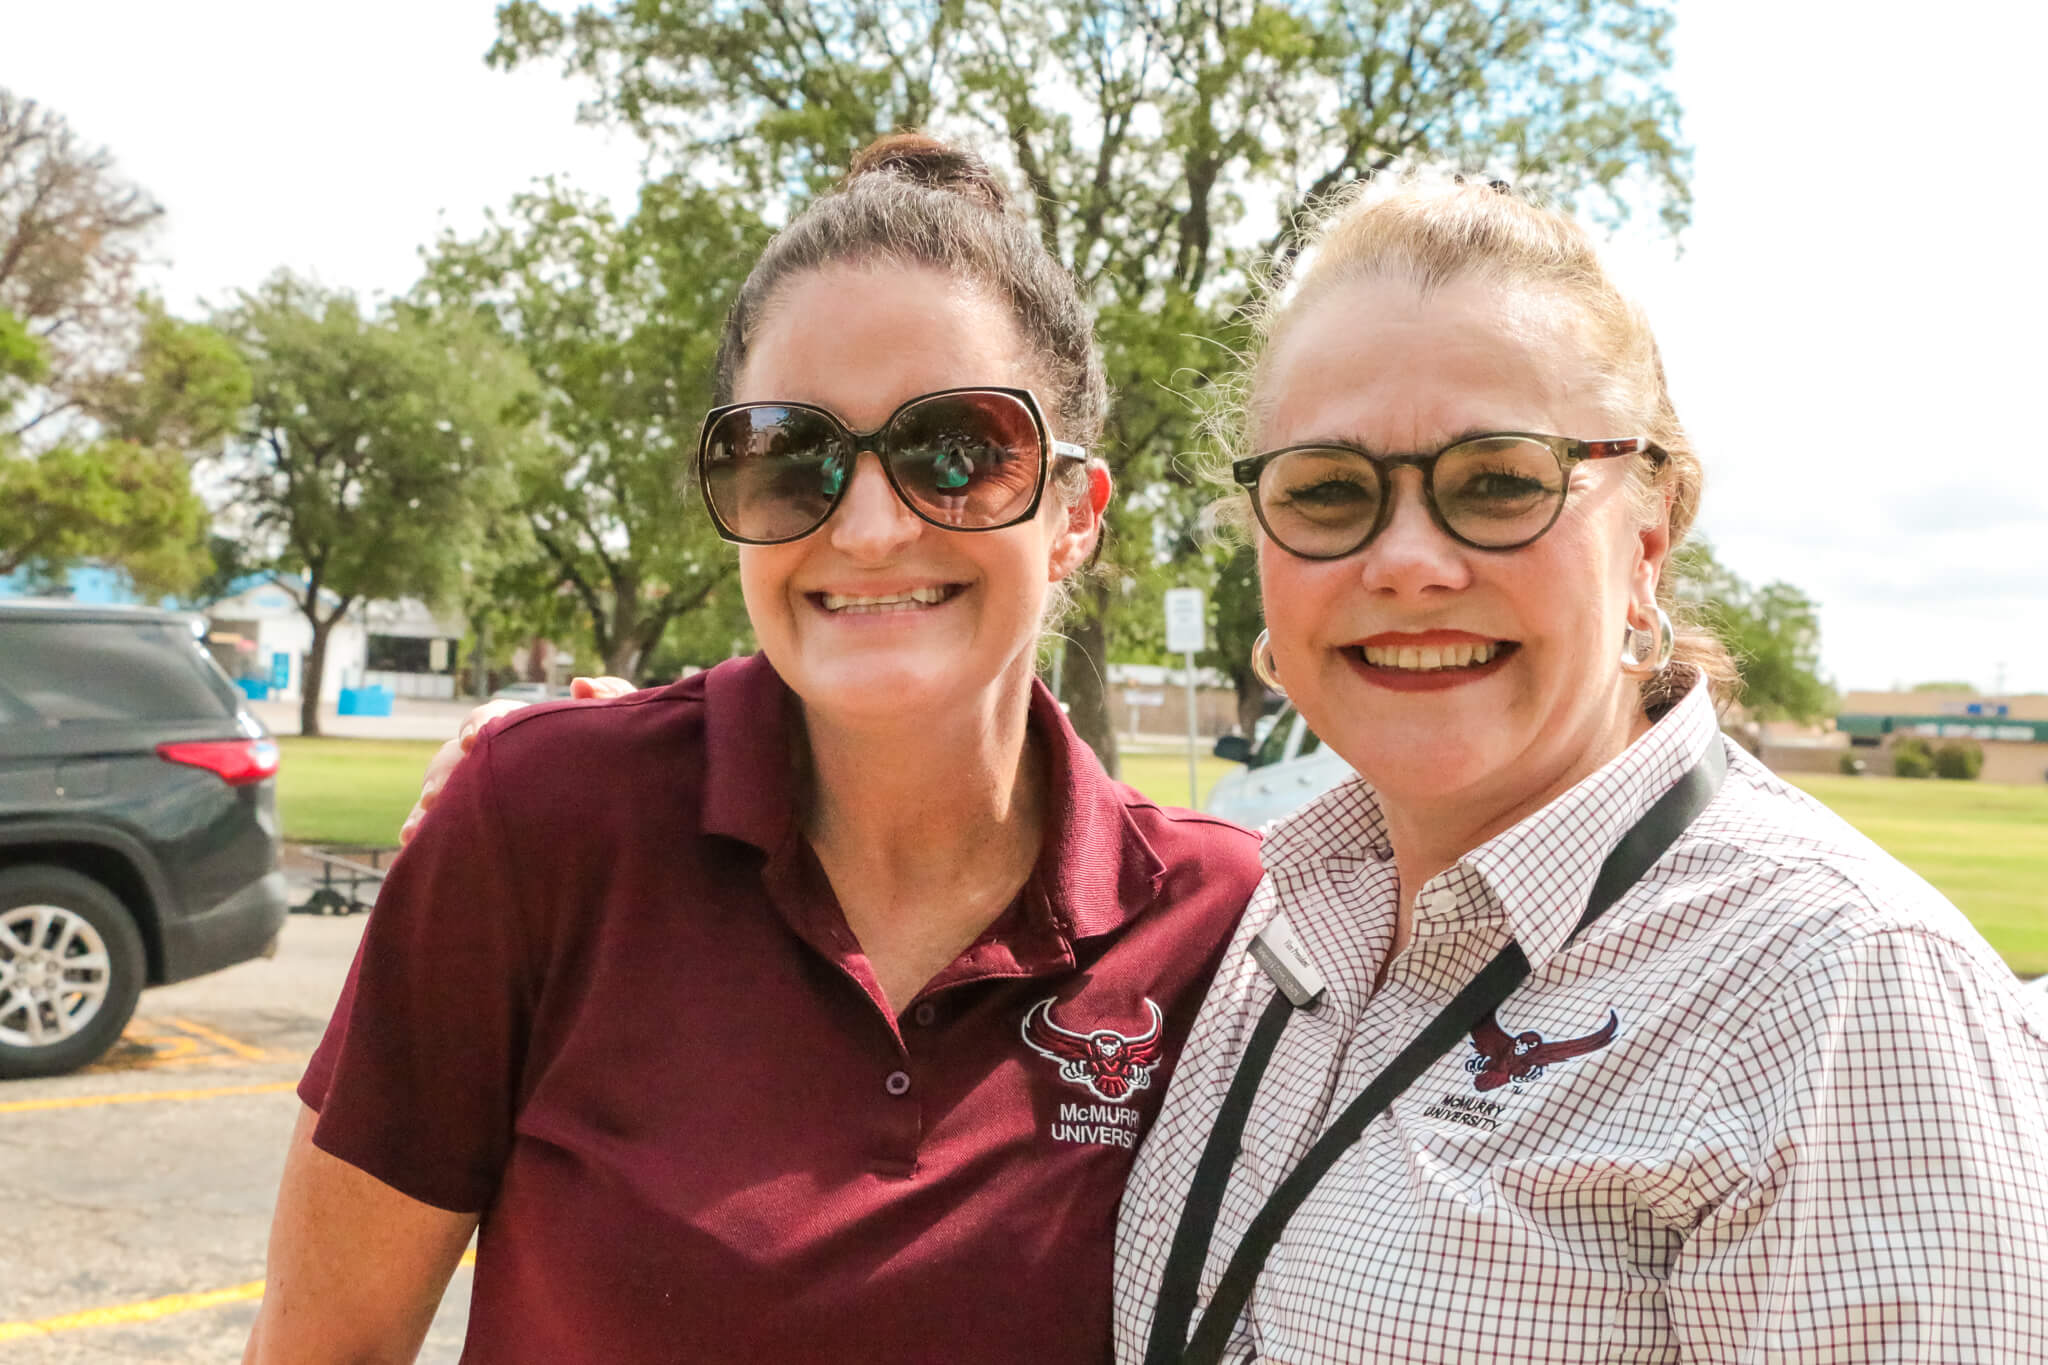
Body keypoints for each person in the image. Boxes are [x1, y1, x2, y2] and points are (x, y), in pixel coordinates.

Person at [244, 134, 1262, 1365]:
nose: (869, 527)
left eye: (957, 450)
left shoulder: (1227, 928)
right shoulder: (542, 821)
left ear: (1074, 516)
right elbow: (327, 1345)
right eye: (790, 457)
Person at [1113, 175, 2048, 1362]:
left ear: (1645, 543)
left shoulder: (1838, 993)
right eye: (1327, 490)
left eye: (1499, 480)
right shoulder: (1276, 928)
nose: (1404, 562)